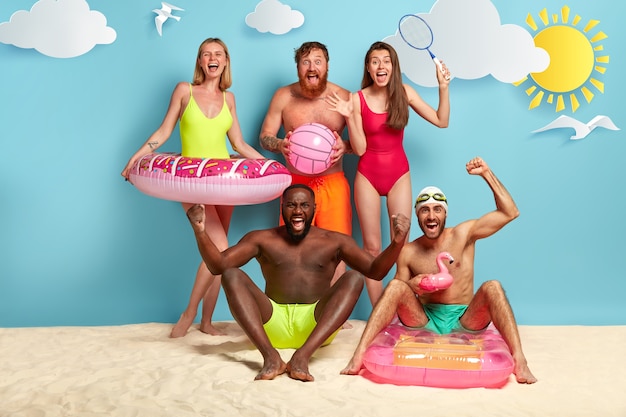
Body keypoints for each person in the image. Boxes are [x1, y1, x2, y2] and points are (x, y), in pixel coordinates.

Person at [185, 184, 410, 382]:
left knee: (354, 278)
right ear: (282, 208)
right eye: (291, 205)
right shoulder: (262, 238)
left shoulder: (334, 241)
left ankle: (302, 356)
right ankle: (271, 357)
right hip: (272, 323)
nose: (298, 211)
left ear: (314, 208)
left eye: (304, 205)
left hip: (316, 325)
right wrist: (200, 230)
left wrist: (397, 243)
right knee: (231, 274)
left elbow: (376, 271)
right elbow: (218, 266)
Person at [341, 157, 537, 384]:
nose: (431, 216)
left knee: (493, 286)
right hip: (425, 319)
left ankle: (520, 360)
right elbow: (397, 295)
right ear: (417, 216)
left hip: (465, 318)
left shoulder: (464, 233)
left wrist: (486, 174)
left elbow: (510, 212)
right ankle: (358, 356)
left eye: (437, 210)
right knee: (395, 285)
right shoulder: (409, 251)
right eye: (424, 210)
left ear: (445, 214)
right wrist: (413, 285)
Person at [121, 38, 265, 338]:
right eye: (205, 54)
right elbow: (164, 130)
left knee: (216, 254)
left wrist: (267, 165)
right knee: (221, 248)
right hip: (191, 180)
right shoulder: (184, 90)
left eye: (218, 54)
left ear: (226, 61)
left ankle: (207, 321)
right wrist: (136, 157)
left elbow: (237, 144)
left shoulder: (230, 99)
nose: (212, 58)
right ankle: (189, 312)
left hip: (224, 181)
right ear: (200, 62)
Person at [327, 41, 450, 307]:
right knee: (372, 249)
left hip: (398, 175)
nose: (380, 66)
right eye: (374, 61)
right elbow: (359, 148)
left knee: (400, 246)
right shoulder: (356, 99)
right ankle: (379, 312)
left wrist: (443, 86)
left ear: (393, 67)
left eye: (386, 60)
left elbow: (442, 121)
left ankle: (400, 305)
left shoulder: (405, 93)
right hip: (368, 176)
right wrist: (349, 116)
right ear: (368, 68)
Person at [259, 41, 353, 286]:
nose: (312, 67)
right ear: (298, 67)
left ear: (327, 66)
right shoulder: (283, 96)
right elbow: (265, 136)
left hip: (333, 183)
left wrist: (347, 146)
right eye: (306, 62)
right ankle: (294, 312)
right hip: (295, 184)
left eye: (318, 61)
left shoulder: (343, 97)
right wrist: (279, 144)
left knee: (338, 249)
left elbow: (363, 143)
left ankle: (334, 316)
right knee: (289, 248)